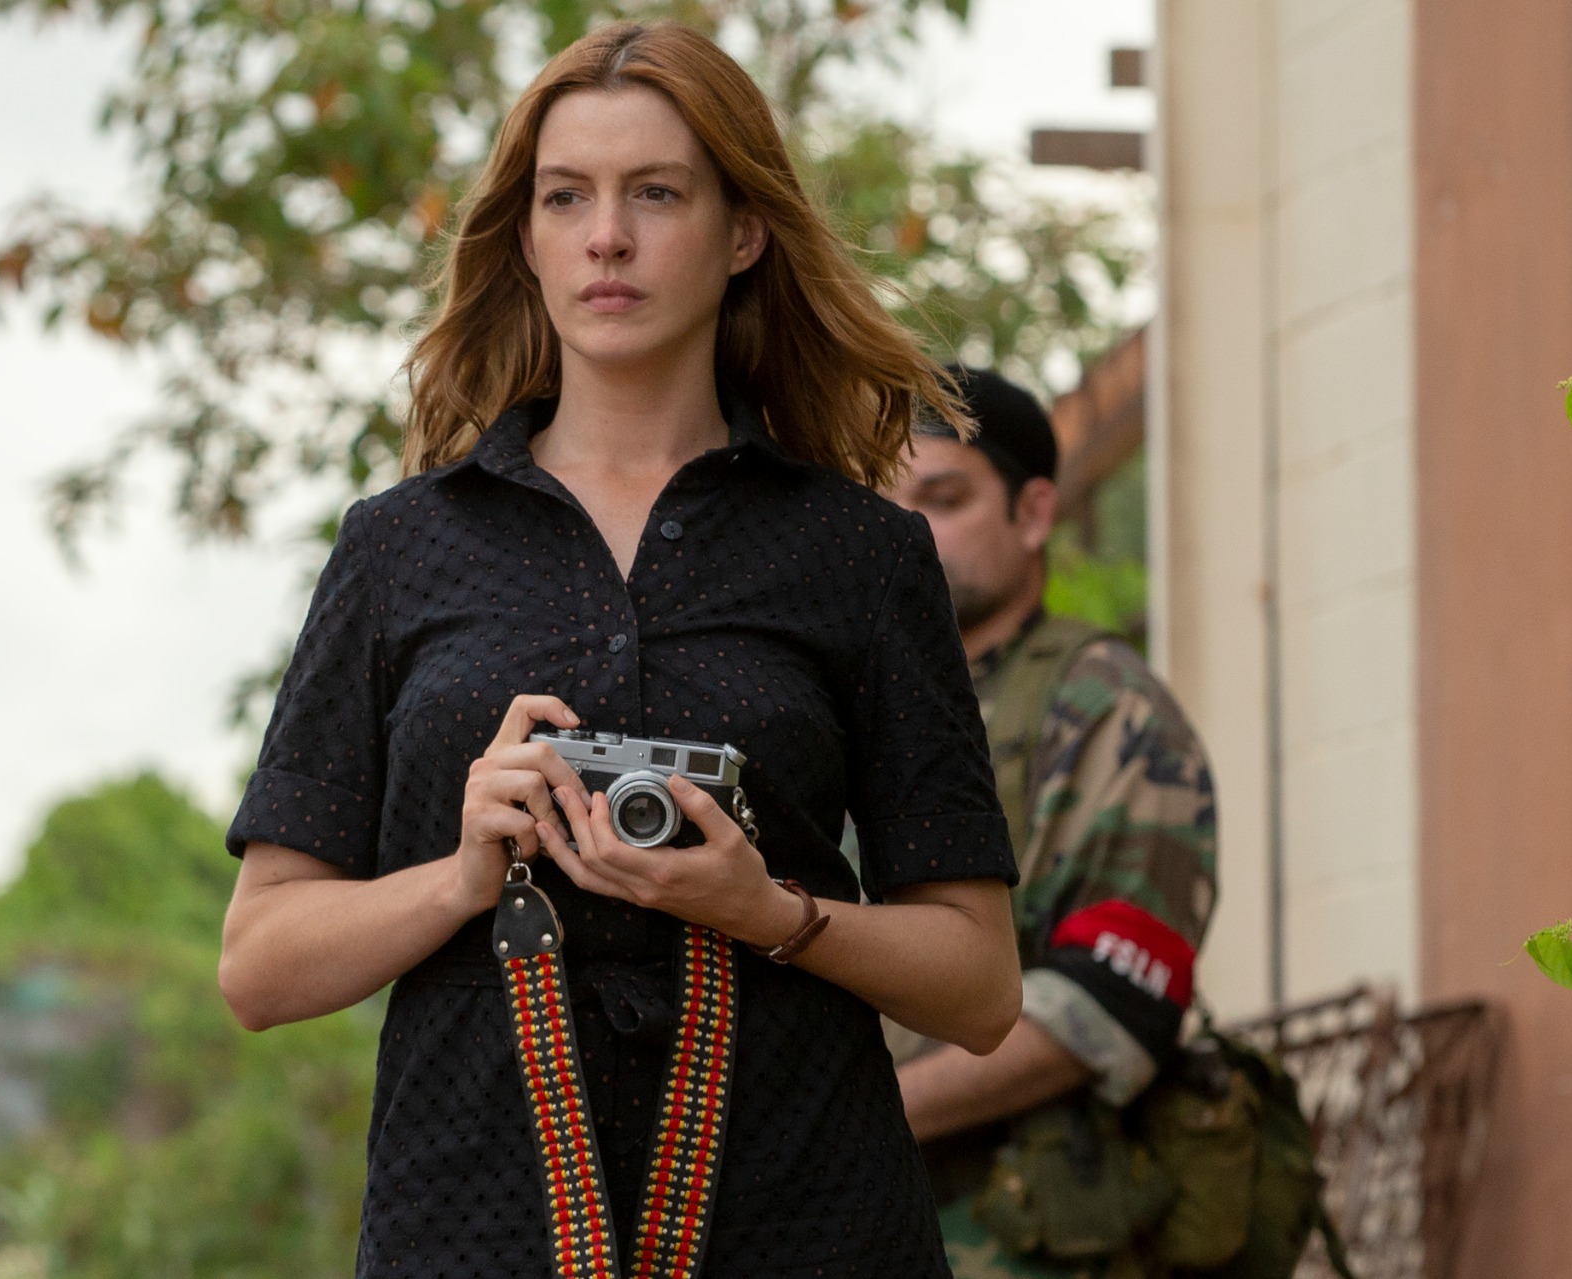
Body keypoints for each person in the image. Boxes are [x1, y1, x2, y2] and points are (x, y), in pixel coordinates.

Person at [215, 23, 1023, 1279]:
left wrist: (773, 912)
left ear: (742, 232)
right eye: (566, 197)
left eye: (656, 193)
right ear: (526, 238)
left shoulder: (861, 554)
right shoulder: (399, 548)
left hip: (805, 1224)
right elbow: (259, 966)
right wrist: (459, 875)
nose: (607, 237)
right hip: (472, 1231)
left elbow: (978, 985)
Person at [884, 368, 1218, 1278]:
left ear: (1033, 514)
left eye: (943, 500)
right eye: (882, 504)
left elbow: (1110, 1003)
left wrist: (854, 1121)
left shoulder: (1107, 708)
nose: (904, 532)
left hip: (1013, 1236)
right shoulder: (851, 707)